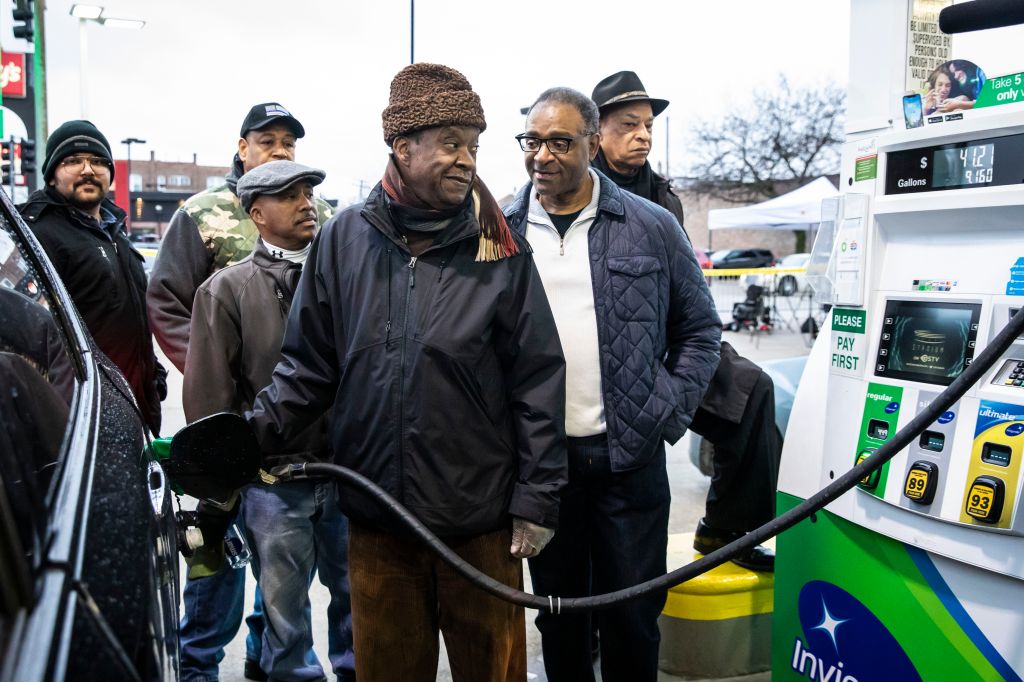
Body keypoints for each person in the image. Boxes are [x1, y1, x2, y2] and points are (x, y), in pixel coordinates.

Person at [246, 63, 567, 681]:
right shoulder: (343, 242)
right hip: (378, 525)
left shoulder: (498, 249)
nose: (466, 159)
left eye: (473, 146)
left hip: (481, 527)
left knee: (493, 670)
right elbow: (308, 367)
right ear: (402, 146)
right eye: (450, 143)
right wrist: (246, 436)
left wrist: (537, 499)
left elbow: (538, 379)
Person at [504, 86, 721, 682]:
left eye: (559, 142)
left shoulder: (649, 225)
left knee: (633, 617)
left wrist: (667, 409)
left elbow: (701, 329)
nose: (542, 156)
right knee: (559, 616)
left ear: (592, 144)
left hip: (629, 461)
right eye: (532, 141)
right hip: (543, 466)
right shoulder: (498, 230)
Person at [148, 103, 332, 682]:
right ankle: (198, 668)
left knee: (306, 587)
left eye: (289, 143)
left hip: (331, 459)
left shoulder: (326, 235)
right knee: (221, 568)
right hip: (252, 440)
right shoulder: (202, 217)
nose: (281, 150)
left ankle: (268, 661)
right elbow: (169, 301)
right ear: (243, 146)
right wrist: (218, 377)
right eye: (269, 141)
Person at [591, 71, 781, 575]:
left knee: (752, 390)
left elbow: (686, 289)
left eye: (648, 125)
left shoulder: (662, 197)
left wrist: (691, 359)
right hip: (603, 347)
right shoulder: (576, 187)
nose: (643, 135)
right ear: (596, 132)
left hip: (668, 338)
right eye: (629, 124)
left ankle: (727, 529)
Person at [183, 161, 354, 682]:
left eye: (309, 193)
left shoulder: (347, 279)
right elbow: (211, 403)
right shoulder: (226, 290)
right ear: (256, 213)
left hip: (350, 477)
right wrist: (231, 481)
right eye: (290, 195)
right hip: (274, 483)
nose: (307, 203)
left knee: (360, 603)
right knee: (285, 618)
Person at [19, 120, 166, 434]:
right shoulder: (36, 234)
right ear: (52, 174)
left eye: (99, 161)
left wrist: (153, 369)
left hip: (133, 401)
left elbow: (126, 314)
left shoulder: (115, 232)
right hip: (80, 413)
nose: (88, 169)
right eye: (73, 161)